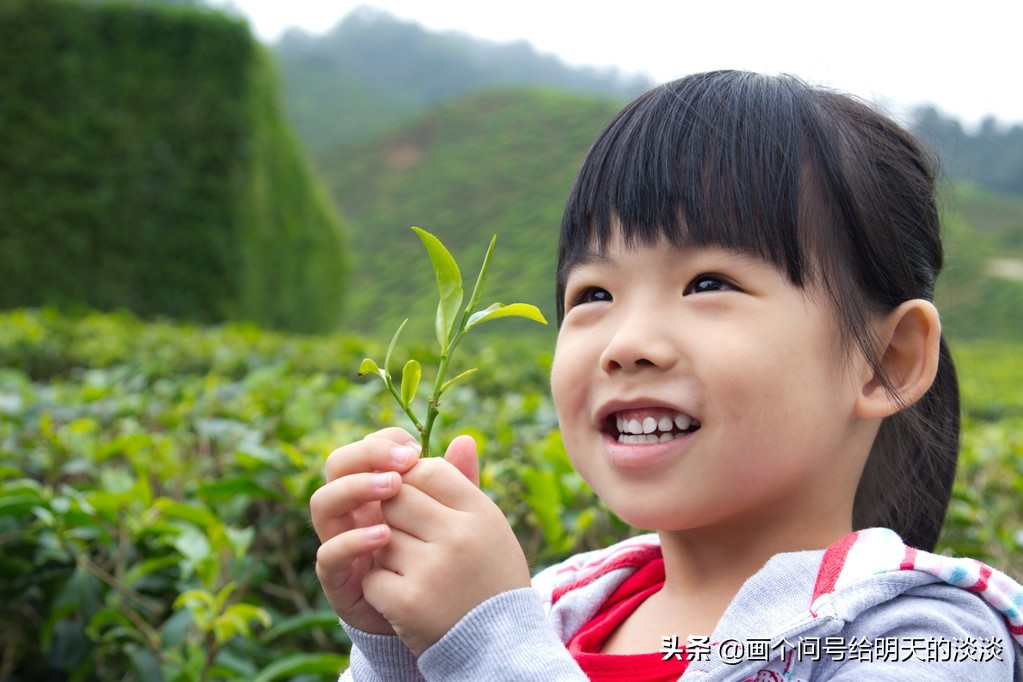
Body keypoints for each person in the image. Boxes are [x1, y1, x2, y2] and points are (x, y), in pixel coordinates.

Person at [310, 70, 1023, 680]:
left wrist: (485, 642)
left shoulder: (921, 641)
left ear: (885, 361)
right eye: (592, 294)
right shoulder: (556, 608)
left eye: (708, 283)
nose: (627, 342)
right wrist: (397, 644)